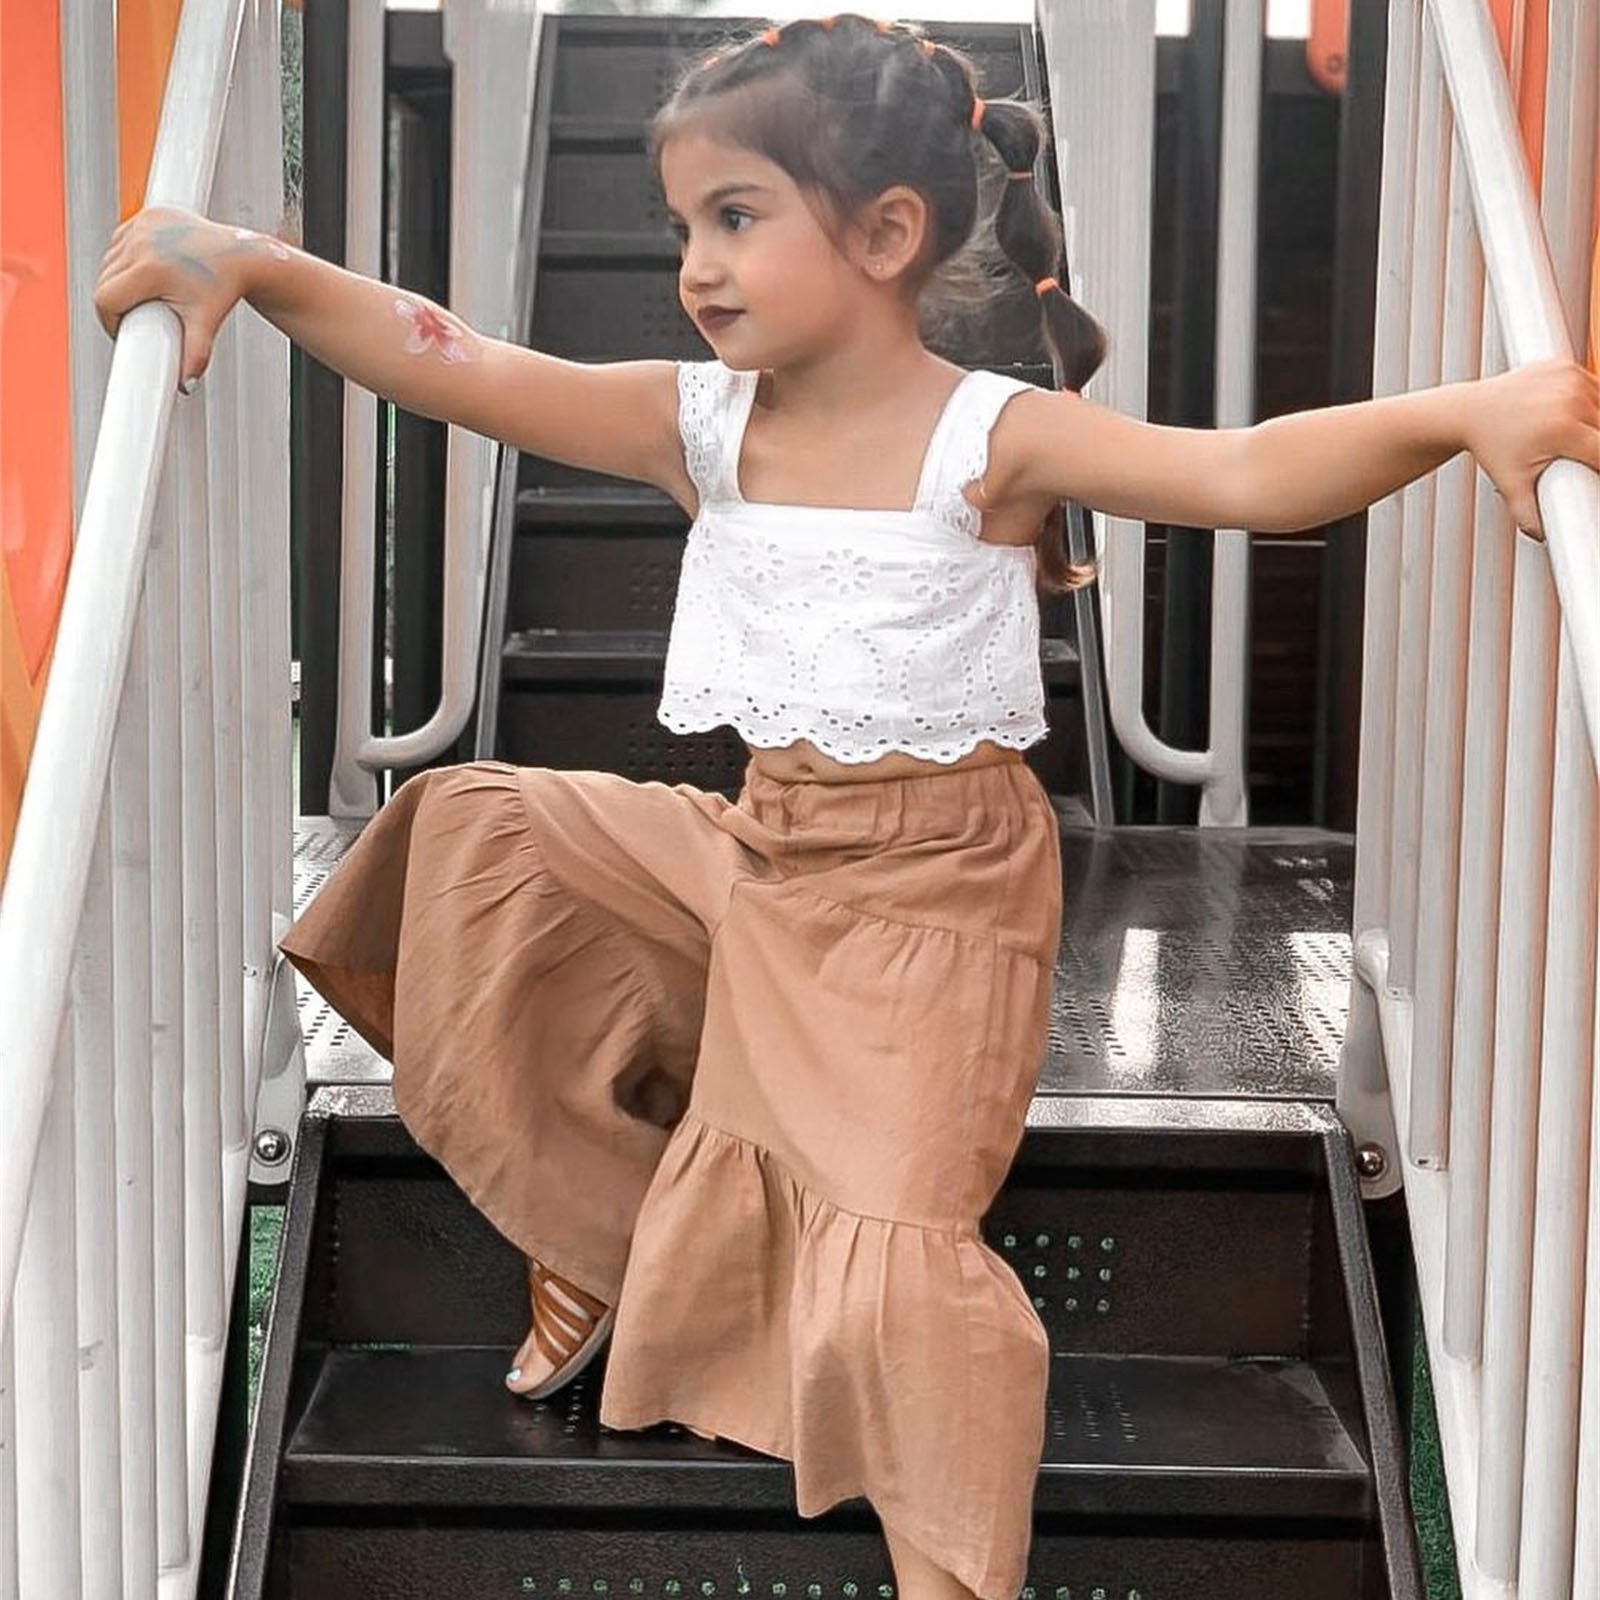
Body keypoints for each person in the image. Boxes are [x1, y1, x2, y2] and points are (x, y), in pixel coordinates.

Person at [93, 14, 1597, 1600]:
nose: (697, 265)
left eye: (738, 218)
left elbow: (1244, 474)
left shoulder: (990, 438)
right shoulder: (702, 423)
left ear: (884, 236)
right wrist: (255, 263)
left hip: (937, 907)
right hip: (765, 852)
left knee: (888, 1272)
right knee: (477, 836)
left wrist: (1459, 417)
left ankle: (951, 1574)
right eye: (685, 225)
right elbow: (451, 361)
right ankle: (601, 1230)